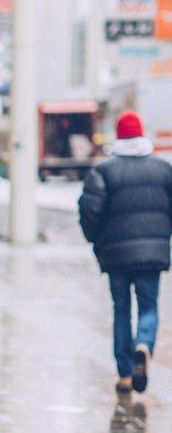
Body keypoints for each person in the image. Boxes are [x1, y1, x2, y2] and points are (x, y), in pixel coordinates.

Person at [78, 111, 172, 395]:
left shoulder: (103, 170)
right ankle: (143, 343)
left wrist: (95, 239)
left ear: (118, 135)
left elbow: (89, 211)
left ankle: (125, 374)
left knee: (121, 309)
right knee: (148, 306)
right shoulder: (163, 169)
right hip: (152, 252)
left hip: (115, 255)